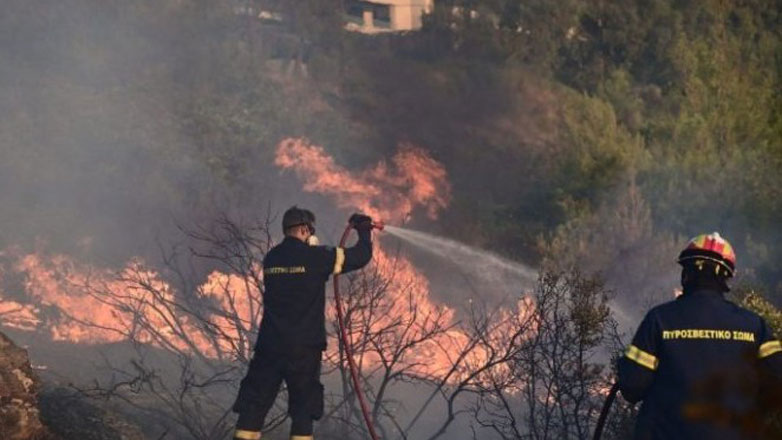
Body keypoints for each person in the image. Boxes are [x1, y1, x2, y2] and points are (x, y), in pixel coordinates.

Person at [617, 232, 782, 439]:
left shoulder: (660, 320)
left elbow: (633, 386)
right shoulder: (755, 325)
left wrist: (625, 365)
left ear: (687, 273)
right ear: (725, 277)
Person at [232, 207, 375, 440]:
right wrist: (364, 230)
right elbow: (360, 256)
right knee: (303, 413)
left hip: (269, 346)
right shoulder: (317, 257)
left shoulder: (272, 258)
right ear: (304, 229)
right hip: (303, 350)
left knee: (253, 407)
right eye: (310, 231)